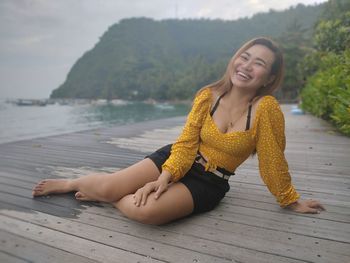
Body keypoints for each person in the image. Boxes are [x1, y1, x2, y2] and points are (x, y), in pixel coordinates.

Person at [32, 37, 325, 225]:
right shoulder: (208, 96)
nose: (247, 66)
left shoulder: (266, 108)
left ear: (269, 77)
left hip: (209, 182)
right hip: (176, 158)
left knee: (143, 212)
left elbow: (272, 160)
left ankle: (110, 196)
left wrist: (290, 199)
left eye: (259, 63)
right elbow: (185, 144)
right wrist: (165, 176)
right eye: (244, 57)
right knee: (111, 186)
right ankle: (73, 183)